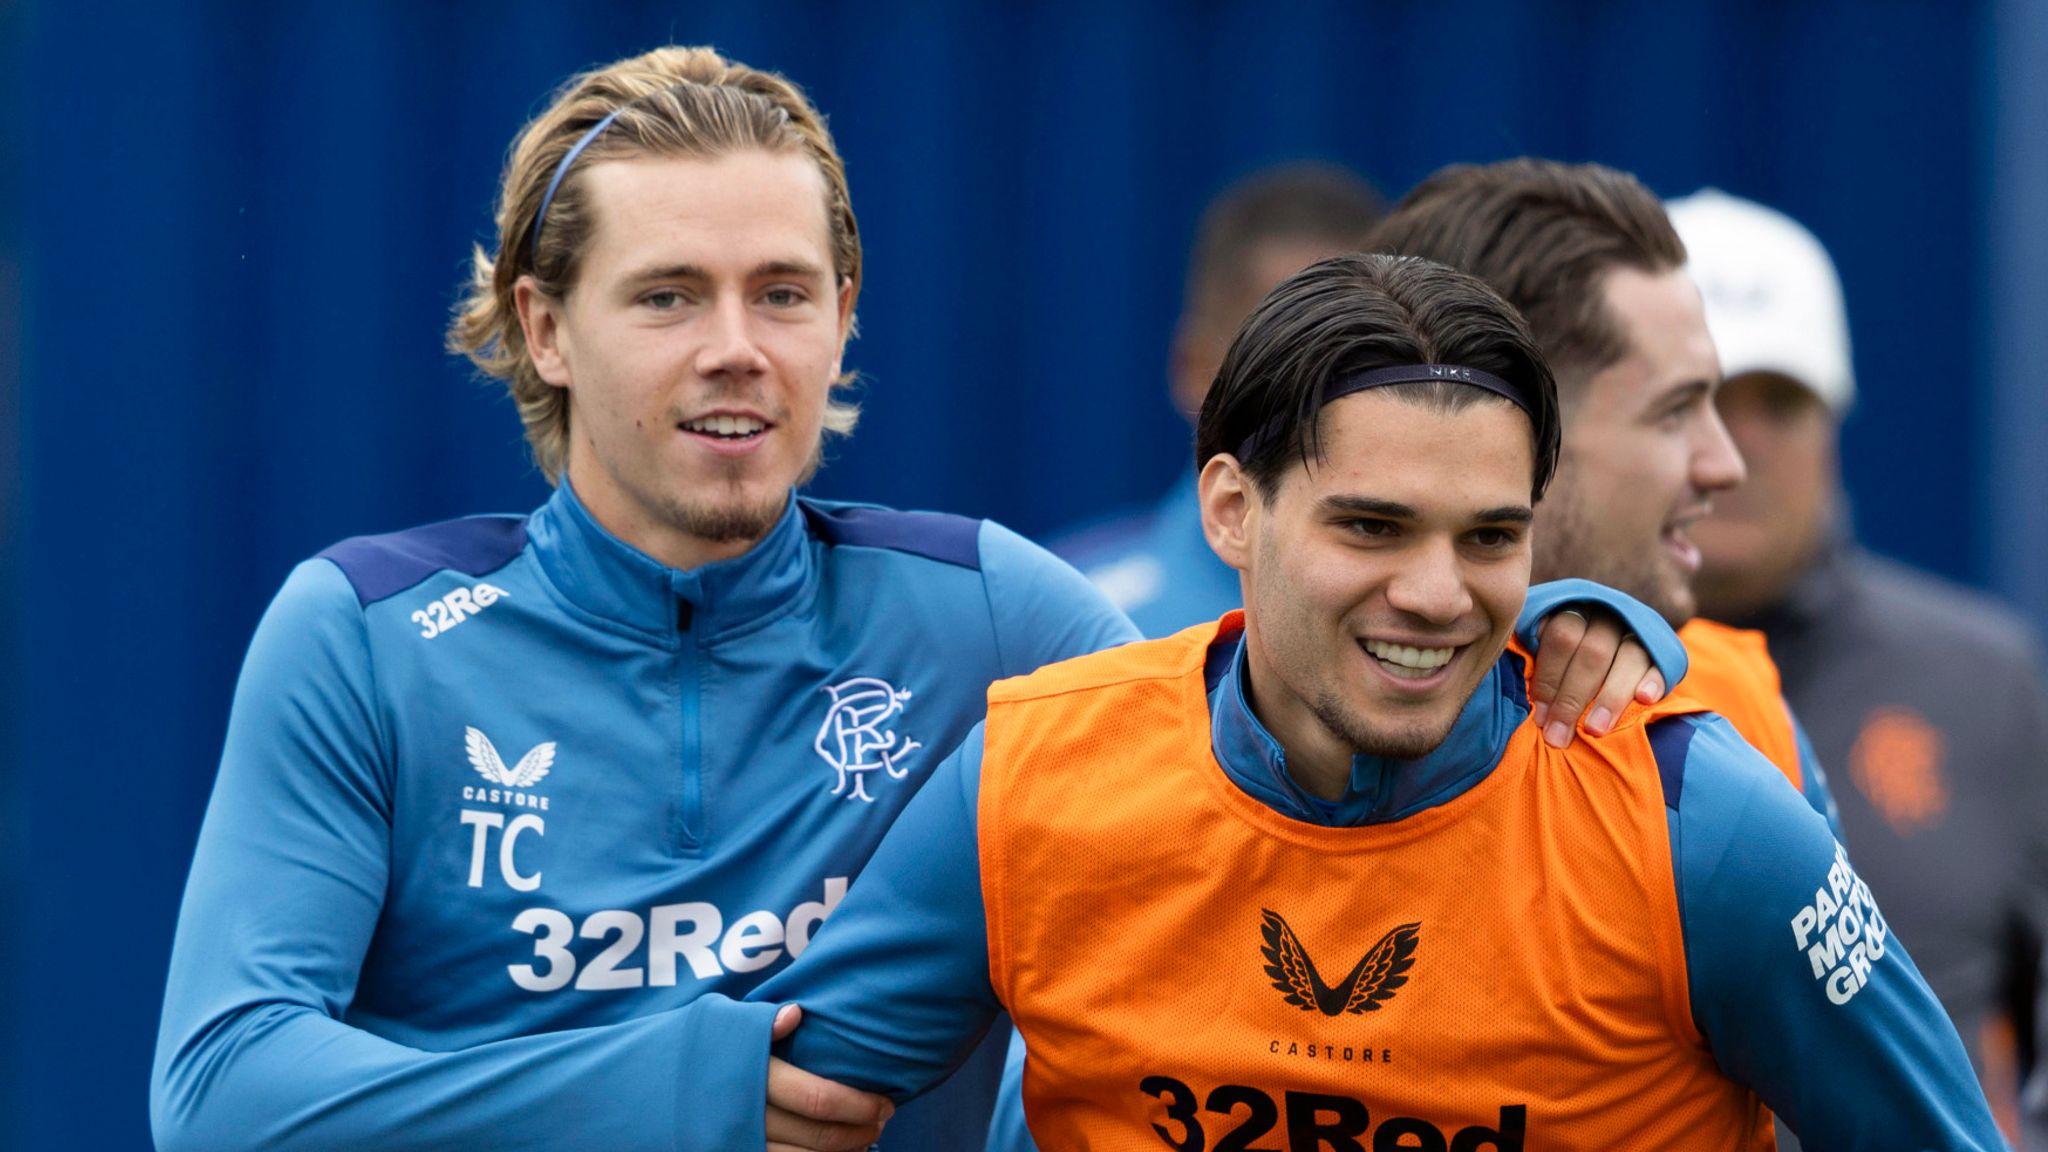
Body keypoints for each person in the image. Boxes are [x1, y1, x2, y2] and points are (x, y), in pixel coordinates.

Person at [146, 48, 1653, 1152]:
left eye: (784, 293)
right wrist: (688, 1089)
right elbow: (222, 1093)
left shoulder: (989, 611)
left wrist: (1574, 629)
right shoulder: (365, 633)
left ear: (845, 315)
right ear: (544, 326)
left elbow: (1293, 755)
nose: (737, 348)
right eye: (668, 295)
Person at [757, 253, 2002, 1149]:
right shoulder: (1033, 773)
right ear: (1230, 509)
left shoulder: (1694, 822)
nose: (1436, 593)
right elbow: (784, 1102)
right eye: (1371, 526)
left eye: (1487, 538)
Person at [1668, 187, 2048, 1146]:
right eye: (1696, 400)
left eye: (1777, 401)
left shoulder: (1985, 681)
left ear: (1834, 418)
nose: (1736, 444)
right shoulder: (1523, 679)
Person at [1365, 160, 1838, 810]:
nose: (1725, 466)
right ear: (1509, 436)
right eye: (1676, 411)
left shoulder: (1732, 711)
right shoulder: (1200, 729)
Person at [1051, 162, 1384, 637]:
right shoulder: (1063, 617)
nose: (1326, 398)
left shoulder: (1478, 622)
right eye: (1281, 360)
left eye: (1363, 362)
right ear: (1193, 368)